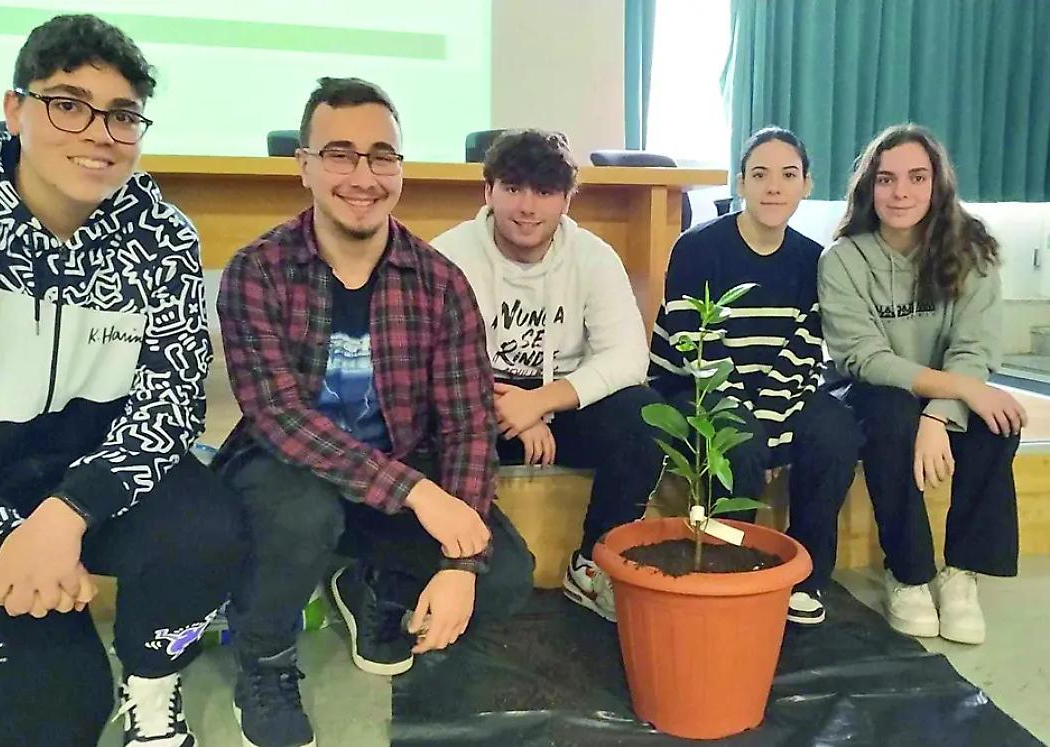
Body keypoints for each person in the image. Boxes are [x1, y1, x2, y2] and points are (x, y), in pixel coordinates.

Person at [0, 14, 244, 747]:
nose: (99, 132)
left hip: (94, 478)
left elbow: (170, 402)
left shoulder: (164, 236)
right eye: (68, 104)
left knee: (209, 530)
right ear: (15, 110)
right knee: (57, 724)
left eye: (122, 115)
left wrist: (68, 513)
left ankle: (153, 682)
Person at [213, 77, 535, 747]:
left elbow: (470, 424)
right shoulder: (259, 271)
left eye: (382, 155)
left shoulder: (440, 282)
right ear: (303, 165)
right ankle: (264, 658)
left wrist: (458, 562)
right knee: (303, 511)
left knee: (503, 573)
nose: (363, 174)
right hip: (286, 476)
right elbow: (280, 419)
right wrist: (420, 495)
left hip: (393, 480)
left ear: (400, 168)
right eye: (340, 153)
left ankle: (373, 584)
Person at [432, 129, 661, 624]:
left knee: (643, 416)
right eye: (513, 188)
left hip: (560, 407)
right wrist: (508, 407)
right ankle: (438, 565)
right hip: (475, 405)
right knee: (419, 422)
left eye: (544, 191)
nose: (527, 206)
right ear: (487, 190)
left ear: (566, 199)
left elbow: (627, 357)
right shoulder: (448, 256)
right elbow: (431, 360)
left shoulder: (594, 257)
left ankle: (593, 565)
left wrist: (542, 402)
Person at [819, 123, 1025, 644]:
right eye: (886, 179)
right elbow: (863, 357)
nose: (901, 192)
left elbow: (974, 349)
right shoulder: (843, 259)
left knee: (999, 419)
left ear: (937, 185)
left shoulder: (971, 251)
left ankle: (962, 572)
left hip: (949, 392)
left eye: (916, 177)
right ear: (870, 188)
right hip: (875, 392)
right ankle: (909, 573)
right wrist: (951, 393)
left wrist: (940, 412)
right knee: (892, 414)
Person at [649, 127, 861, 626]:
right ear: (740, 182)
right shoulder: (696, 247)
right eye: (759, 174)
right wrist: (755, 428)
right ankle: (729, 572)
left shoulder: (814, 259)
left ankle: (805, 577)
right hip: (696, 388)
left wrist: (767, 421)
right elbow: (696, 344)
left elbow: (805, 350)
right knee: (738, 445)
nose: (773, 187)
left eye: (788, 175)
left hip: (780, 395)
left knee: (836, 432)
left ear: (806, 184)